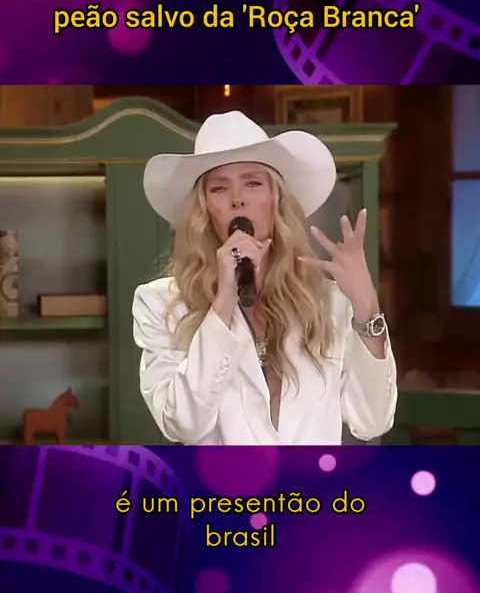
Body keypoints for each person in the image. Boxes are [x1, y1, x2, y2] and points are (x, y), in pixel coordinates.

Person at [132, 110, 397, 445]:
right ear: (204, 209)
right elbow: (183, 424)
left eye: (253, 183)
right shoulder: (161, 304)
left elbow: (372, 421)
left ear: (276, 200)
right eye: (219, 188)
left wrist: (365, 304)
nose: (237, 199)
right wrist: (223, 302)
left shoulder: (328, 300)